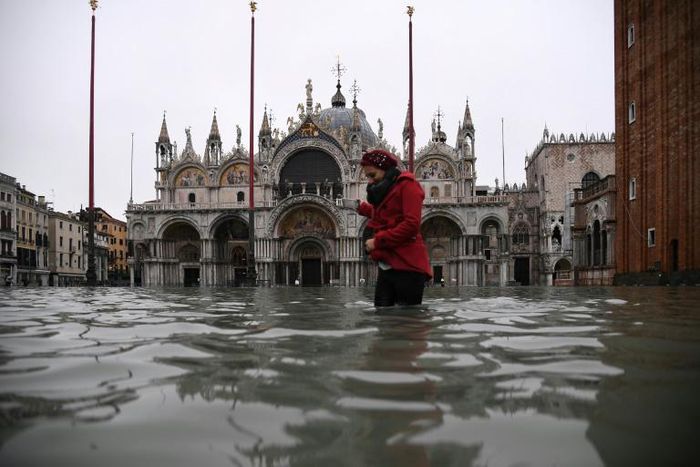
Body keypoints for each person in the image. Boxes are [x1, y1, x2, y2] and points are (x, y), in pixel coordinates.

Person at [355, 149, 432, 306]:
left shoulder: (408, 186)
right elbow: (388, 214)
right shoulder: (387, 189)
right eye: (367, 177)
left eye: (372, 175)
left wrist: (377, 242)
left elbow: (411, 225)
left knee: (407, 320)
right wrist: (360, 207)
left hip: (409, 266)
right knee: (382, 316)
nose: (369, 181)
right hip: (389, 264)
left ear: (386, 170)